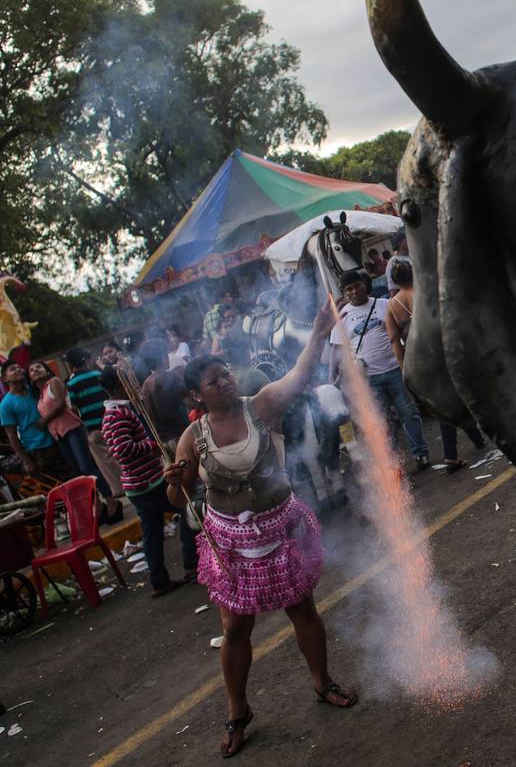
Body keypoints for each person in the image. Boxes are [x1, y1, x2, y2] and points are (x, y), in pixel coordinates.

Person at [166, 304, 357, 758]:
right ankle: (238, 711)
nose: (225, 381)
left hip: (279, 527)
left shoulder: (262, 406)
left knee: (302, 610)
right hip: (230, 541)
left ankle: (322, 682)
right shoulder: (193, 439)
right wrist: (174, 483)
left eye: (225, 373)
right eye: (213, 381)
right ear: (198, 395)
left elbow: (300, 372)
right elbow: (179, 503)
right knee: (235, 629)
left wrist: (317, 332)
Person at [100, 368, 197, 597]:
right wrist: (152, 446)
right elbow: (122, 450)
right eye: (129, 381)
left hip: (137, 485)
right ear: (120, 385)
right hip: (147, 482)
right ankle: (192, 563)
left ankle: (159, 581)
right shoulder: (118, 414)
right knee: (187, 508)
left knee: (151, 532)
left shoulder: (114, 413)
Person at [385, 261, 484, 472]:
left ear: (394, 281)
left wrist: (405, 371)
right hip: (440, 350)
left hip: (418, 358)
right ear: (413, 273)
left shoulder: (392, 306)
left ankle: (476, 437)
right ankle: (451, 455)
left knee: (445, 400)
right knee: (451, 400)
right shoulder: (426, 292)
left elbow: (395, 342)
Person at [330, 269, 431, 472]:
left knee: (409, 414)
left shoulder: (384, 305)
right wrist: (332, 378)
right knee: (384, 424)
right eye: (349, 289)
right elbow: (337, 350)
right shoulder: (342, 316)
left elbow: (402, 333)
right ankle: (395, 465)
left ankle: (421, 454)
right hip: (369, 379)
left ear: (364, 284)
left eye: (357, 285)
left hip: (395, 370)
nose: (354, 291)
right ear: (344, 292)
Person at [30, 361, 121, 522]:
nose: (35, 370)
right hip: (59, 435)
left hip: (72, 429)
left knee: (87, 467)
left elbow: (60, 405)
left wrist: (44, 421)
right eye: (31, 370)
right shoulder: (40, 394)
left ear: (46, 370)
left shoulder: (54, 382)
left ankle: (111, 500)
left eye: (38, 367)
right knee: (78, 473)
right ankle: (97, 504)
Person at [65, 348, 124, 498]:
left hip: (93, 428)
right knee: (120, 453)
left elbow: (73, 409)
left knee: (106, 461)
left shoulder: (71, 384)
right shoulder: (98, 375)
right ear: (86, 360)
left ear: (70, 365)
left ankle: (119, 488)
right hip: (111, 420)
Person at [0, 359, 67, 478]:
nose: (18, 370)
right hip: (37, 450)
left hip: (57, 440)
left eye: (19, 367)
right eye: (13, 369)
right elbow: (12, 436)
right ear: (5, 378)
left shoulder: (35, 390)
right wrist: (26, 460)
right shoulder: (6, 404)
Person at [139, 340, 191, 448]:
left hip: (162, 441)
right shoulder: (168, 377)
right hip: (181, 436)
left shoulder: (145, 385)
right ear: (163, 357)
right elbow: (191, 399)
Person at [384, 232, 411, 298]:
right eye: (407, 239)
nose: (410, 241)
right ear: (400, 242)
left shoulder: (413, 255)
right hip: (406, 296)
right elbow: (392, 286)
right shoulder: (393, 261)